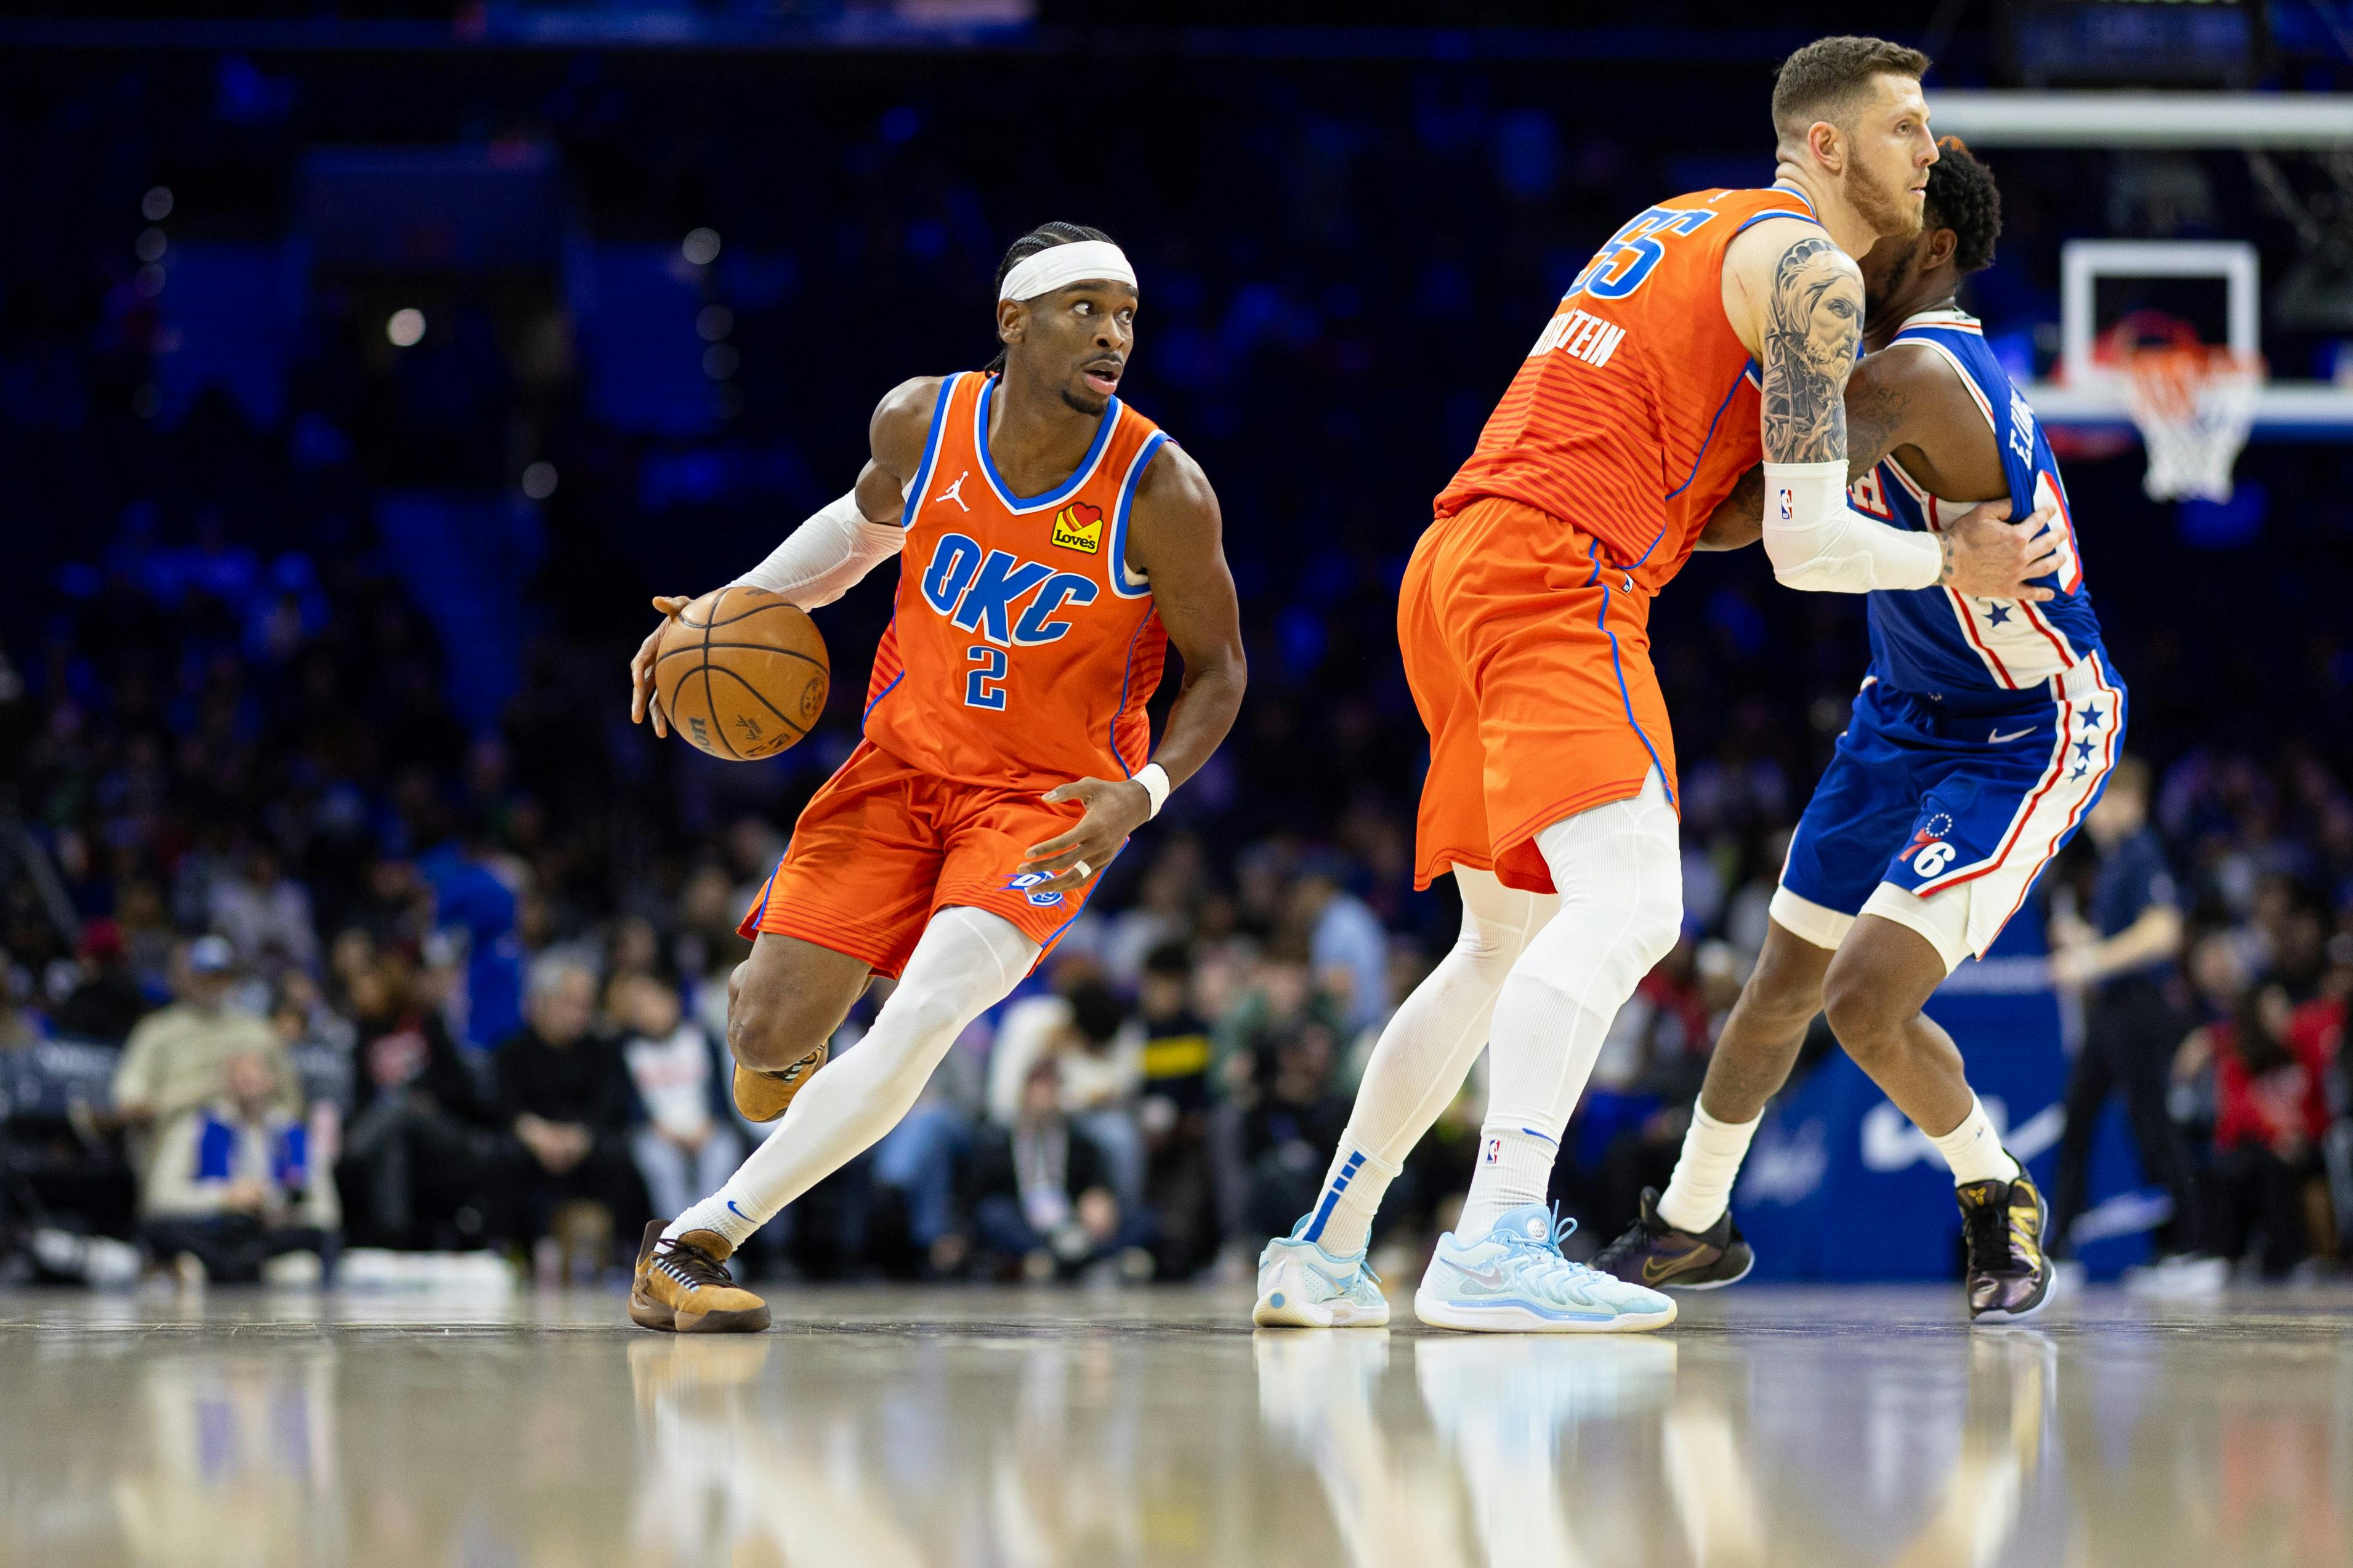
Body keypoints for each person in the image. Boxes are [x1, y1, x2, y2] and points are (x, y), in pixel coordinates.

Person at [1257, 36, 2051, 1332]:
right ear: (1827, 145)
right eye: (1904, 127)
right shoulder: (1806, 269)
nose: (1928, 150)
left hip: (1453, 560)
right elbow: (1804, 548)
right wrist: (1948, 553)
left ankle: (1325, 1242)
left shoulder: (1675, 221)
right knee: (1631, 907)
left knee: (1495, 941)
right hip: (1557, 572)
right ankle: (1495, 1236)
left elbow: (1707, 477)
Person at [622, 222, 1245, 1332]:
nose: (1113, 336)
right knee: (765, 1039)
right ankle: (786, 1031)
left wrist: (1140, 793)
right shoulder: (923, 420)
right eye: (1085, 310)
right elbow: (861, 531)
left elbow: (1221, 673)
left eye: (1127, 316)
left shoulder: (1163, 490)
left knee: (923, 1018)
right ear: (1014, 320)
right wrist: (726, 611)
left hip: (1048, 804)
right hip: (901, 766)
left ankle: (691, 1241)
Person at [1593, 139, 2109, 1322]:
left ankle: (1995, 1189)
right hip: (1905, 708)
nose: (1829, 245)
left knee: (1865, 996)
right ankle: (1688, 1225)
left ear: (1929, 250)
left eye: (1858, 227)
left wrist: (1626, 469)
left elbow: (1749, 519)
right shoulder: (1866, 356)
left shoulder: (1918, 376)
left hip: (2028, 721)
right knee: (1779, 983)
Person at [2041, 756, 2214, 1284]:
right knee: (2080, 1118)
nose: (2091, 815)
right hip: (2112, 1009)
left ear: (2130, 802)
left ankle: (2193, 1248)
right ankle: (2062, 1249)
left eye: (2100, 801)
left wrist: (2090, 960)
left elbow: (2162, 933)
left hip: (2138, 1008)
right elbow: (2126, 937)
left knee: (2150, 1124)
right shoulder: (2118, 860)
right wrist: (2086, 943)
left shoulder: (2141, 853)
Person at [140, 1048, 338, 1284]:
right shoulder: (195, 1128)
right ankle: (231, 1266)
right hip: (214, 1230)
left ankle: (239, 1266)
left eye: (255, 1072)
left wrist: (281, 1209)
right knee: (158, 1231)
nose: (248, 1081)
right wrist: (226, 1197)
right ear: (225, 1082)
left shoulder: (293, 1134)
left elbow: (327, 1212)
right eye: (239, 1074)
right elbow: (159, 1198)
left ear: (271, 1079)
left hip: (270, 1234)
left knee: (321, 1242)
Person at [494, 955, 645, 1261]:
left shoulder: (603, 1051)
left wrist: (581, 1136)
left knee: (622, 1157)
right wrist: (535, 1133)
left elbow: (610, 1107)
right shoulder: (511, 1051)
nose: (579, 1014)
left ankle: (626, 1255)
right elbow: (503, 1106)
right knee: (501, 1158)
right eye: (569, 1003)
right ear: (541, 1002)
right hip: (532, 1143)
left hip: (584, 1143)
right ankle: (506, 1249)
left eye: (586, 1005)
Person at [111, 936, 299, 1170]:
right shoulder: (158, 1030)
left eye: (220, 976)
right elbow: (131, 1086)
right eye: (204, 977)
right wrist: (137, 1102)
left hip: (245, 1137)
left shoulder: (257, 1031)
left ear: (232, 979)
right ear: (189, 978)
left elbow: (290, 1100)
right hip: (177, 1135)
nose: (213, 984)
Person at [615, 971, 745, 1224]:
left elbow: (721, 1091)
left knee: (723, 1152)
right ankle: (675, 1241)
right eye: (640, 1008)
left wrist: (710, 1123)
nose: (648, 1013)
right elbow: (629, 1105)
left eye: (654, 1003)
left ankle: (711, 1238)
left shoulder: (701, 1039)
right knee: (661, 1162)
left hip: (705, 1129)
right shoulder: (629, 1050)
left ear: (673, 1001)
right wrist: (659, 1130)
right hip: (657, 1134)